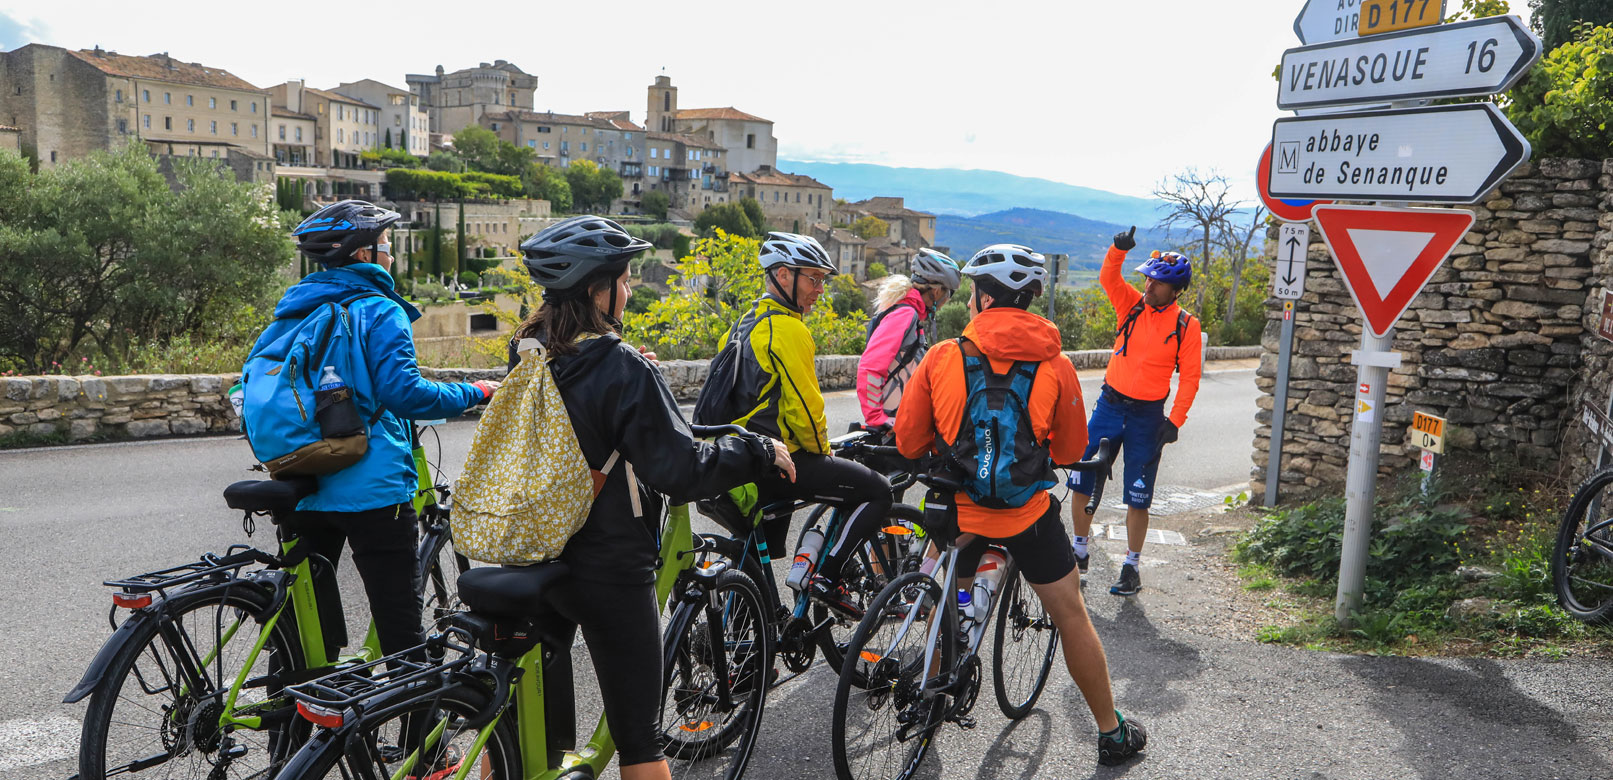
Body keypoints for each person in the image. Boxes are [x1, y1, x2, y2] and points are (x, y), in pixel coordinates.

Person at [513, 215, 796, 780]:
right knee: (640, 738)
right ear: (599, 290)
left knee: (526, 734)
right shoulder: (620, 366)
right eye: (624, 279)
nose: (630, 289)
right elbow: (680, 470)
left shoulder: (529, 350)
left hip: (532, 550)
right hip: (606, 564)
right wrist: (757, 453)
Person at [893, 242, 1147, 767]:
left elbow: (908, 442)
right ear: (1026, 300)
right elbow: (1072, 450)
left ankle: (930, 697)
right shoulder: (1057, 367)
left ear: (984, 297)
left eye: (971, 294)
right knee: (1072, 615)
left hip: (956, 512)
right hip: (1027, 517)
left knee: (947, 605)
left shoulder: (943, 356)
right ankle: (1111, 731)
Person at [263, 199, 500, 662]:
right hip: (371, 491)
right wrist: (474, 391)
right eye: (386, 245)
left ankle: (293, 728)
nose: (391, 255)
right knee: (402, 638)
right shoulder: (379, 309)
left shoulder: (293, 310)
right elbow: (406, 394)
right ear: (363, 254)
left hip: (302, 479)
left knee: (305, 634)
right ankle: (415, 732)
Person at [724, 231, 892, 610]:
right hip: (778, 461)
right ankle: (828, 578)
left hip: (739, 456)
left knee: (752, 562)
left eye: (822, 280)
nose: (820, 289)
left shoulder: (744, 324)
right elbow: (806, 413)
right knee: (879, 491)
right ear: (783, 275)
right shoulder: (790, 330)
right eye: (813, 279)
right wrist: (826, 451)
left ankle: (751, 646)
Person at [1068, 226, 1203, 597]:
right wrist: (1117, 250)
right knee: (1082, 478)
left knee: (1138, 495)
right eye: (1147, 279)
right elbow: (1108, 277)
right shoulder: (1131, 305)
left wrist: (1175, 420)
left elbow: (1190, 377)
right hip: (1110, 405)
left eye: (1157, 283)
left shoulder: (1186, 326)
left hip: (1148, 415)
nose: (1148, 286)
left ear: (1175, 291)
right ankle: (1079, 551)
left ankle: (1131, 566)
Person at [857, 248, 962, 431]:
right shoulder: (905, 314)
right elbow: (870, 365)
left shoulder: (911, 314)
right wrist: (876, 417)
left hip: (901, 419)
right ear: (936, 292)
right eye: (949, 294)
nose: (947, 299)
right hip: (891, 422)